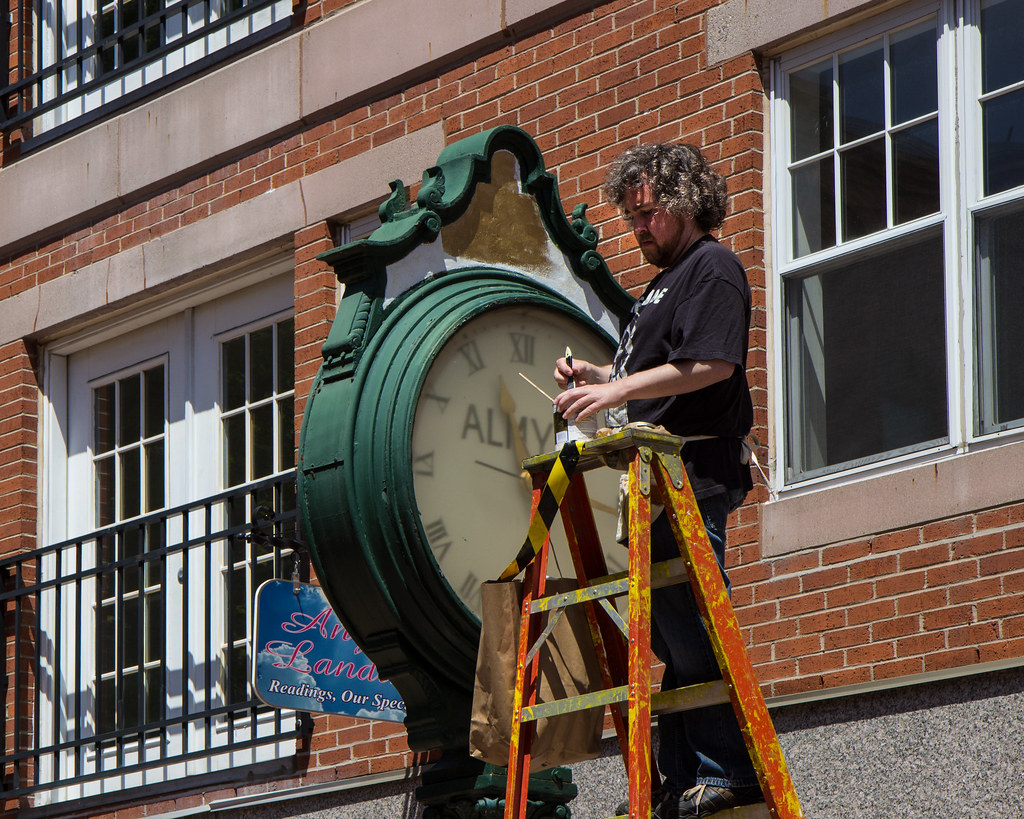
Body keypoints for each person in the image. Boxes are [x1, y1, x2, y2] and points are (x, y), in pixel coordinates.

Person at [553, 143, 760, 819]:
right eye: (631, 216)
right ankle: (675, 780)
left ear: (684, 202)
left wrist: (614, 390)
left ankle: (728, 769)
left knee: (694, 624)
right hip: (654, 479)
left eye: (648, 214)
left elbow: (709, 366)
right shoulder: (662, 285)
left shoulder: (713, 268)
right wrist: (598, 377)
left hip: (692, 474)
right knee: (668, 636)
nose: (638, 228)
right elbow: (656, 377)